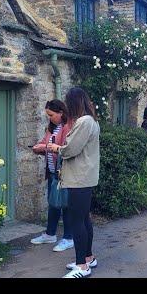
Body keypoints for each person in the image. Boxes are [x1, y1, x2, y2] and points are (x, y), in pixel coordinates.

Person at [46, 88, 100, 278]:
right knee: (84, 219)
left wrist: (55, 148)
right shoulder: (90, 121)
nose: (67, 106)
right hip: (85, 177)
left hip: (79, 178)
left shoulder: (84, 122)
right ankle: (88, 258)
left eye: (69, 102)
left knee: (76, 221)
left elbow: (70, 150)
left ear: (74, 102)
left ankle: (82, 266)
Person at [30, 100, 74, 252]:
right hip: (52, 172)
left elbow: (67, 149)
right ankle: (50, 234)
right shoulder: (52, 128)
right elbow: (45, 143)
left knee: (65, 204)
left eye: (51, 115)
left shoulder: (68, 127)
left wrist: (49, 147)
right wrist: (39, 147)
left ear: (61, 113)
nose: (49, 118)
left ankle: (69, 238)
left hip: (64, 173)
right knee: (53, 202)